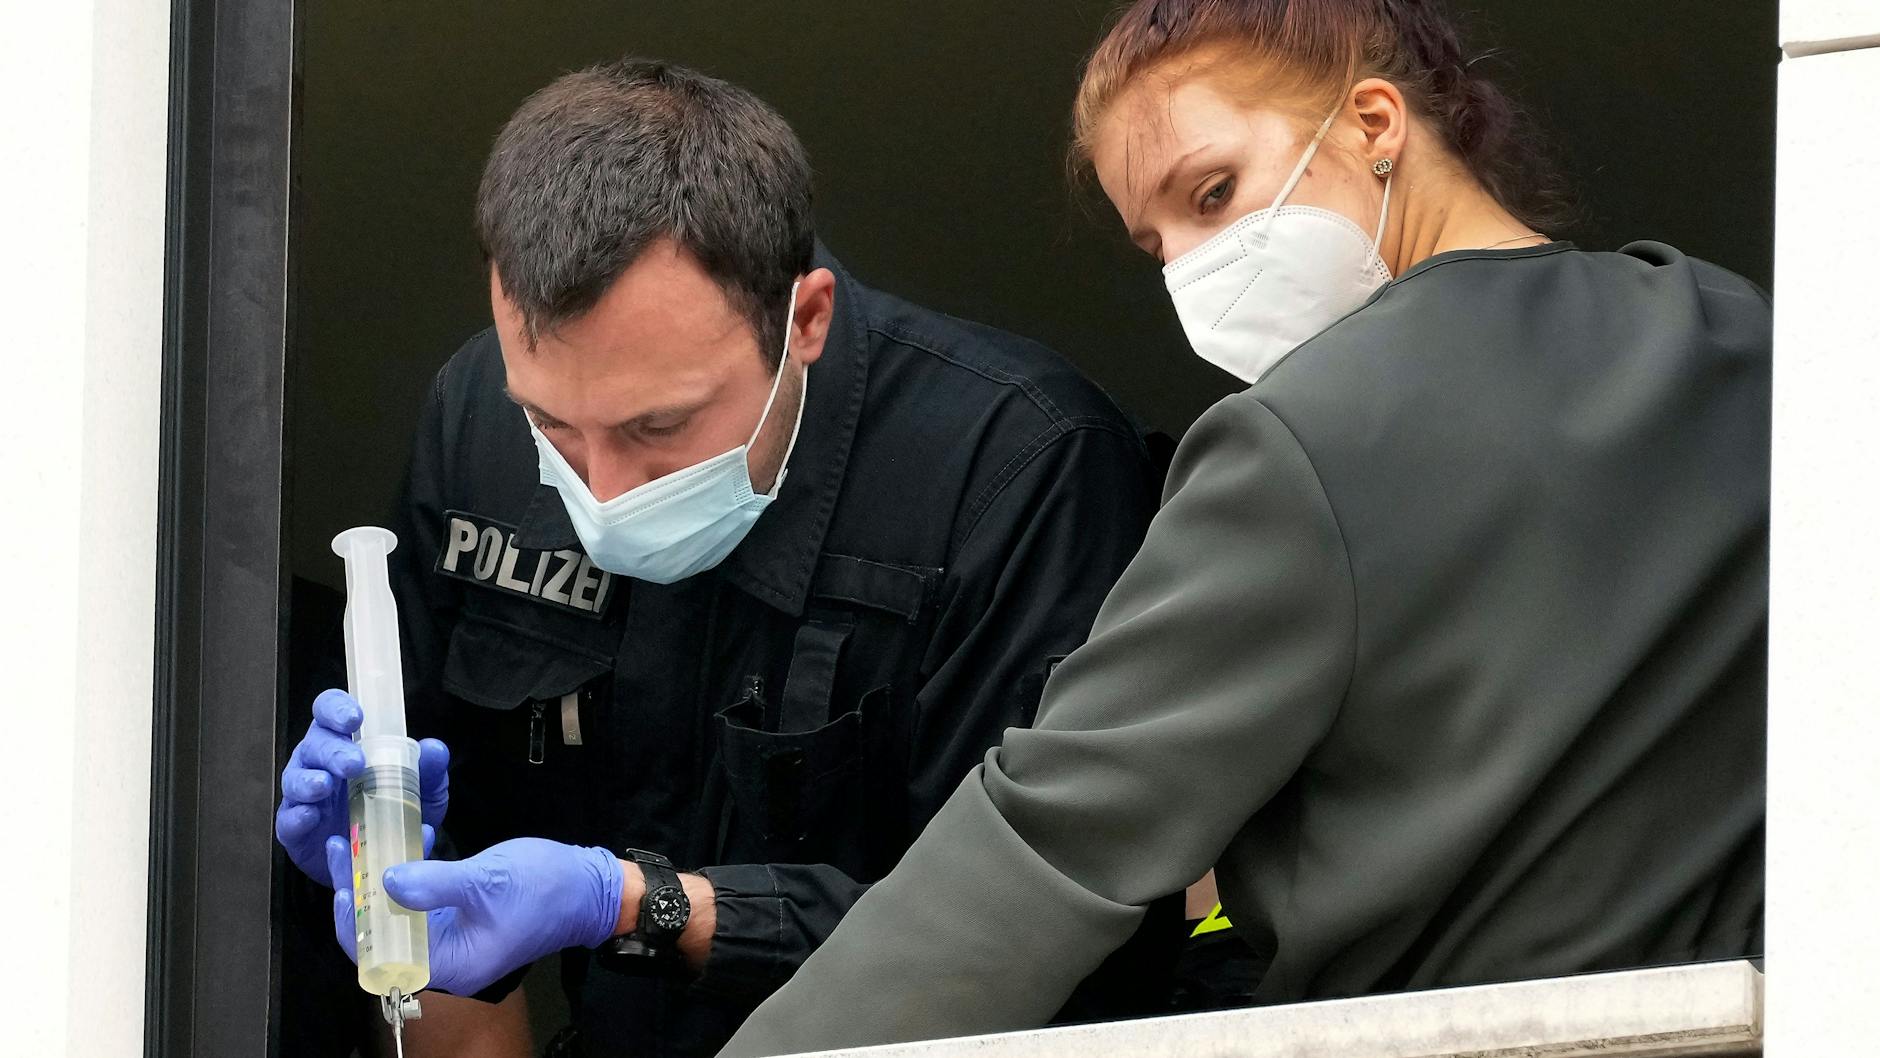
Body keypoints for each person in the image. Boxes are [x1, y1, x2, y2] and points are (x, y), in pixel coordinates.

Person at [719, 0, 1771, 1053]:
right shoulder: (1738, 336)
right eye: (1156, 244)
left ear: (1373, 122)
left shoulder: (1296, 442)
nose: (1187, 272)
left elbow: (1052, 836)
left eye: (1211, 193)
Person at [273, 59, 1175, 1058]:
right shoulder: (475, 419)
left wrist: (637, 903)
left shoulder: (1018, 472)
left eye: (659, 425)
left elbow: (1037, 938)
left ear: (808, 321)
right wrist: (393, 863)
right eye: (553, 426)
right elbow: (453, 940)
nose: (602, 490)